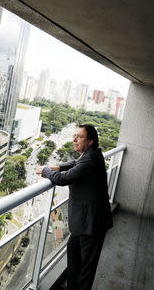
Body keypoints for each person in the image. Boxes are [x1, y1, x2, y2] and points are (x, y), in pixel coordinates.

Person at [36, 124, 112, 290]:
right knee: (74, 260)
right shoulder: (91, 155)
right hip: (84, 224)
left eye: (79, 136)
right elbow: (76, 163)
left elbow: (63, 179)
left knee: (86, 270)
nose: (74, 139)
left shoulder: (91, 158)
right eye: (74, 136)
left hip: (92, 225)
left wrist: (45, 170)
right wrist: (60, 166)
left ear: (90, 141)